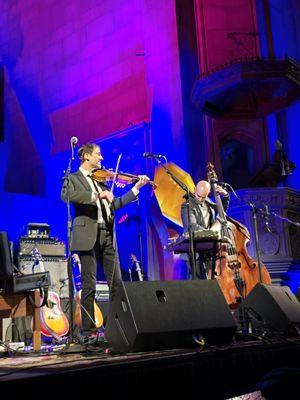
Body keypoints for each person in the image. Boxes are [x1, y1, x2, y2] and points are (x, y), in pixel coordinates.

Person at [61, 142, 149, 344]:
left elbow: (115, 204)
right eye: (98, 155)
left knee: (116, 283)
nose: (101, 158)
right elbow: (66, 196)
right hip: (87, 235)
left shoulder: (101, 181)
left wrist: (135, 188)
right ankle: (89, 332)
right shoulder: (72, 178)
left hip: (108, 235)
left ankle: (114, 326)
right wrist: (95, 195)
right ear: (86, 157)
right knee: (89, 285)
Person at [180, 180, 229, 279]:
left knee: (211, 280)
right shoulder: (187, 206)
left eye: (204, 196)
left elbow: (221, 212)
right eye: (199, 196)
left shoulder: (208, 202)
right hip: (194, 251)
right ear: (194, 190)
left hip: (208, 249)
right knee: (198, 282)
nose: (201, 199)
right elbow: (192, 226)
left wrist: (225, 196)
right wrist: (211, 233)